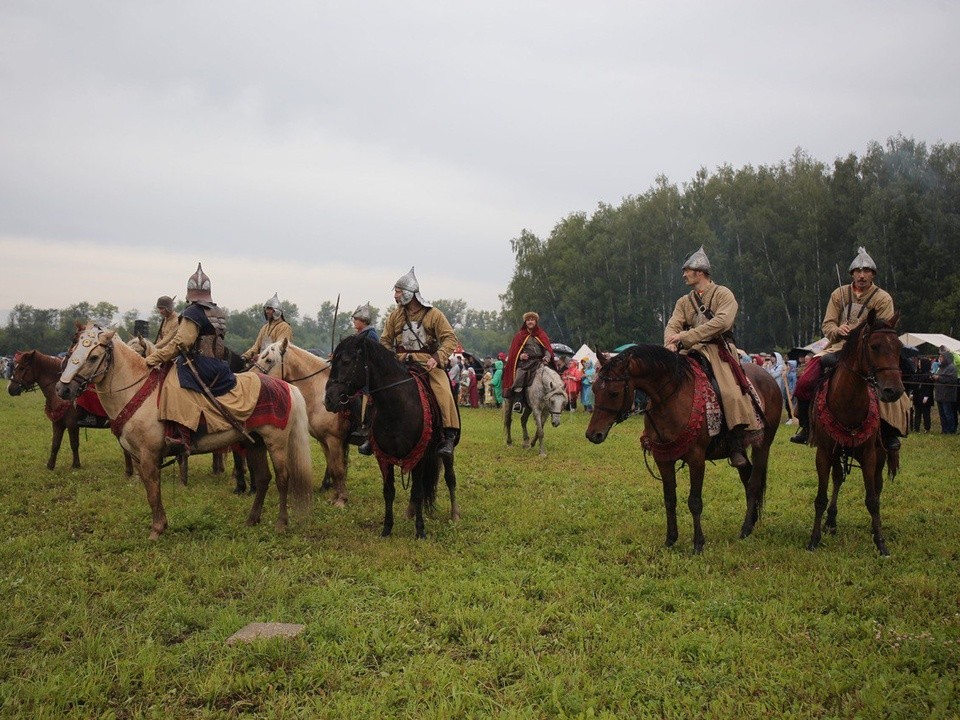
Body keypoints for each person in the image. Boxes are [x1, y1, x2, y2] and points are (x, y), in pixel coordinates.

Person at [790, 247, 910, 448]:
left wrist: (855, 330)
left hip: (871, 350)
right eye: (858, 271)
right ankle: (807, 427)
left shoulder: (883, 298)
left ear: (872, 274)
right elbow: (827, 325)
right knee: (804, 382)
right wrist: (838, 329)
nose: (862, 275)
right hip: (837, 347)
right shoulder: (839, 294)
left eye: (866, 271)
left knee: (889, 383)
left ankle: (889, 430)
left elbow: (884, 327)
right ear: (852, 273)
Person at [664, 246, 760, 468]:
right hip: (688, 351)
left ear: (699, 272)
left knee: (730, 392)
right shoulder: (683, 301)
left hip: (718, 351)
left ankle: (736, 444)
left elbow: (722, 322)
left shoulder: (723, 294)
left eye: (687, 270)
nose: (683, 274)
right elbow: (672, 324)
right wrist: (670, 341)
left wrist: (686, 336)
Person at [145, 263, 253, 442]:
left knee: (172, 385)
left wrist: (154, 357)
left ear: (189, 292)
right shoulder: (217, 310)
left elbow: (182, 343)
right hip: (220, 365)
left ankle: (182, 434)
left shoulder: (193, 311)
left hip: (200, 364)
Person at [379, 267, 460, 457]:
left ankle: (448, 434)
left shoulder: (434, 314)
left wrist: (437, 357)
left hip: (427, 365)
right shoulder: (394, 315)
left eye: (398, 292)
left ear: (409, 293)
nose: (396, 296)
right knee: (377, 390)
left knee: (443, 390)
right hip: (399, 363)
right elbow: (384, 340)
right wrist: (389, 358)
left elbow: (450, 338)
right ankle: (369, 431)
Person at [503, 312, 554, 414]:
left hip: (540, 362)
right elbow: (514, 352)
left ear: (536, 322)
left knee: (552, 376)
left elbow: (547, 348)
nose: (530, 321)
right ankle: (518, 402)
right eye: (528, 320)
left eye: (532, 320)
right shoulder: (520, 335)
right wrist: (521, 355)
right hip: (525, 363)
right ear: (525, 322)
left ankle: (554, 400)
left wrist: (547, 357)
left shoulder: (542, 334)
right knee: (519, 376)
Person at [349, 303, 379, 454]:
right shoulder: (358, 335)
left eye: (356, 319)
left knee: (364, 397)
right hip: (356, 372)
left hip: (366, 374)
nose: (354, 321)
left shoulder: (370, 335)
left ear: (363, 320)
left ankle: (364, 427)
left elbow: (371, 356)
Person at [242, 293, 293, 364]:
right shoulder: (264, 327)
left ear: (277, 311)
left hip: (276, 364)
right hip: (262, 362)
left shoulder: (284, 327)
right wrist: (245, 356)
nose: (267, 311)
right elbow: (256, 347)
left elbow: (278, 349)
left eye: (269, 309)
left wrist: (260, 356)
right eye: (266, 309)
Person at [932, 350, 958, 434]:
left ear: (946, 358)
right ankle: (944, 430)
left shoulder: (951, 367)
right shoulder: (940, 367)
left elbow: (951, 380)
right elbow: (938, 376)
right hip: (939, 394)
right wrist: (933, 377)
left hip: (947, 395)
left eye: (941, 357)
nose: (939, 358)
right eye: (939, 357)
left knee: (948, 414)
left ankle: (951, 430)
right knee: (942, 414)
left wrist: (938, 378)